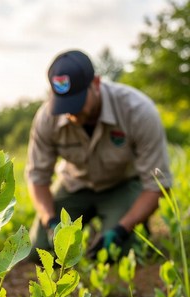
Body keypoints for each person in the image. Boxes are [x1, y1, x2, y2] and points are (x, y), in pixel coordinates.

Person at [26, 49, 172, 261]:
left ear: (95, 84)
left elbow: (157, 185)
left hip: (121, 185)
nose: (71, 113)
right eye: (64, 105)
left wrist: (122, 230)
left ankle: (127, 223)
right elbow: (37, 178)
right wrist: (50, 222)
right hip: (74, 185)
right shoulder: (47, 118)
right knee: (40, 251)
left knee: (114, 253)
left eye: (77, 103)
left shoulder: (138, 110)